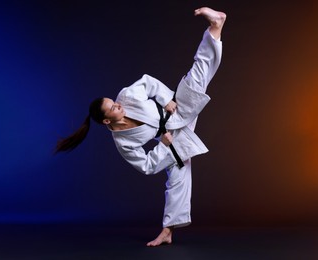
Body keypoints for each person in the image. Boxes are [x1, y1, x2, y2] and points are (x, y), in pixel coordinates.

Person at [55, 7, 226, 247]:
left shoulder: (126, 96)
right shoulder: (123, 142)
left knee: (197, 78)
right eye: (113, 108)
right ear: (107, 121)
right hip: (171, 137)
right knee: (178, 176)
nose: (118, 105)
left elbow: (147, 82)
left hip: (175, 111)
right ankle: (167, 230)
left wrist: (166, 99)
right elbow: (146, 166)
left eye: (114, 102)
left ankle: (215, 27)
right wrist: (163, 146)